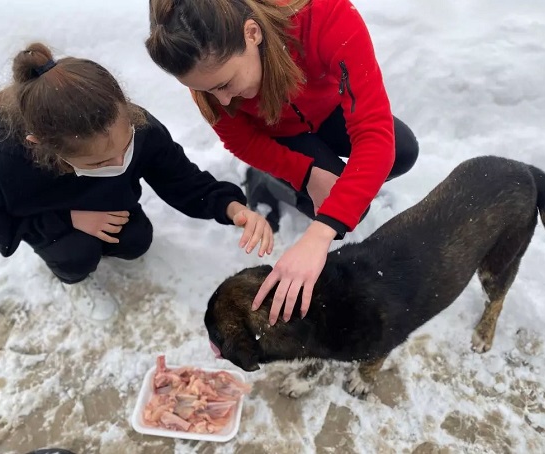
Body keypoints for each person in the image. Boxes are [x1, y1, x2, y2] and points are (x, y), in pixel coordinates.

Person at [144, 0, 419, 325]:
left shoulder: (327, 16)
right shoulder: (207, 72)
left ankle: (314, 185)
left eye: (224, 84)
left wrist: (319, 234)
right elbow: (242, 141)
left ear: (252, 33)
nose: (223, 101)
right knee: (344, 207)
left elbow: (374, 133)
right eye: (204, 91)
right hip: (277, 131)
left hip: (327, 109)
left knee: (401, 152)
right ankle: (266, 181)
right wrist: (306, 173)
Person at [0, 43, 274, 322]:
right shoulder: (4, 159)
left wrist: (231, 207)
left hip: (112, 208)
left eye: (126, 147)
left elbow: (179, 178)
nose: (119, 163)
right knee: (76, 255)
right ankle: (73, 279)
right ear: (43, 146)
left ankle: (98, 247)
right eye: (99, 163)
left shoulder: (137, 126)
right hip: (49, 220)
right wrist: (65, 221)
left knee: (136, 240)